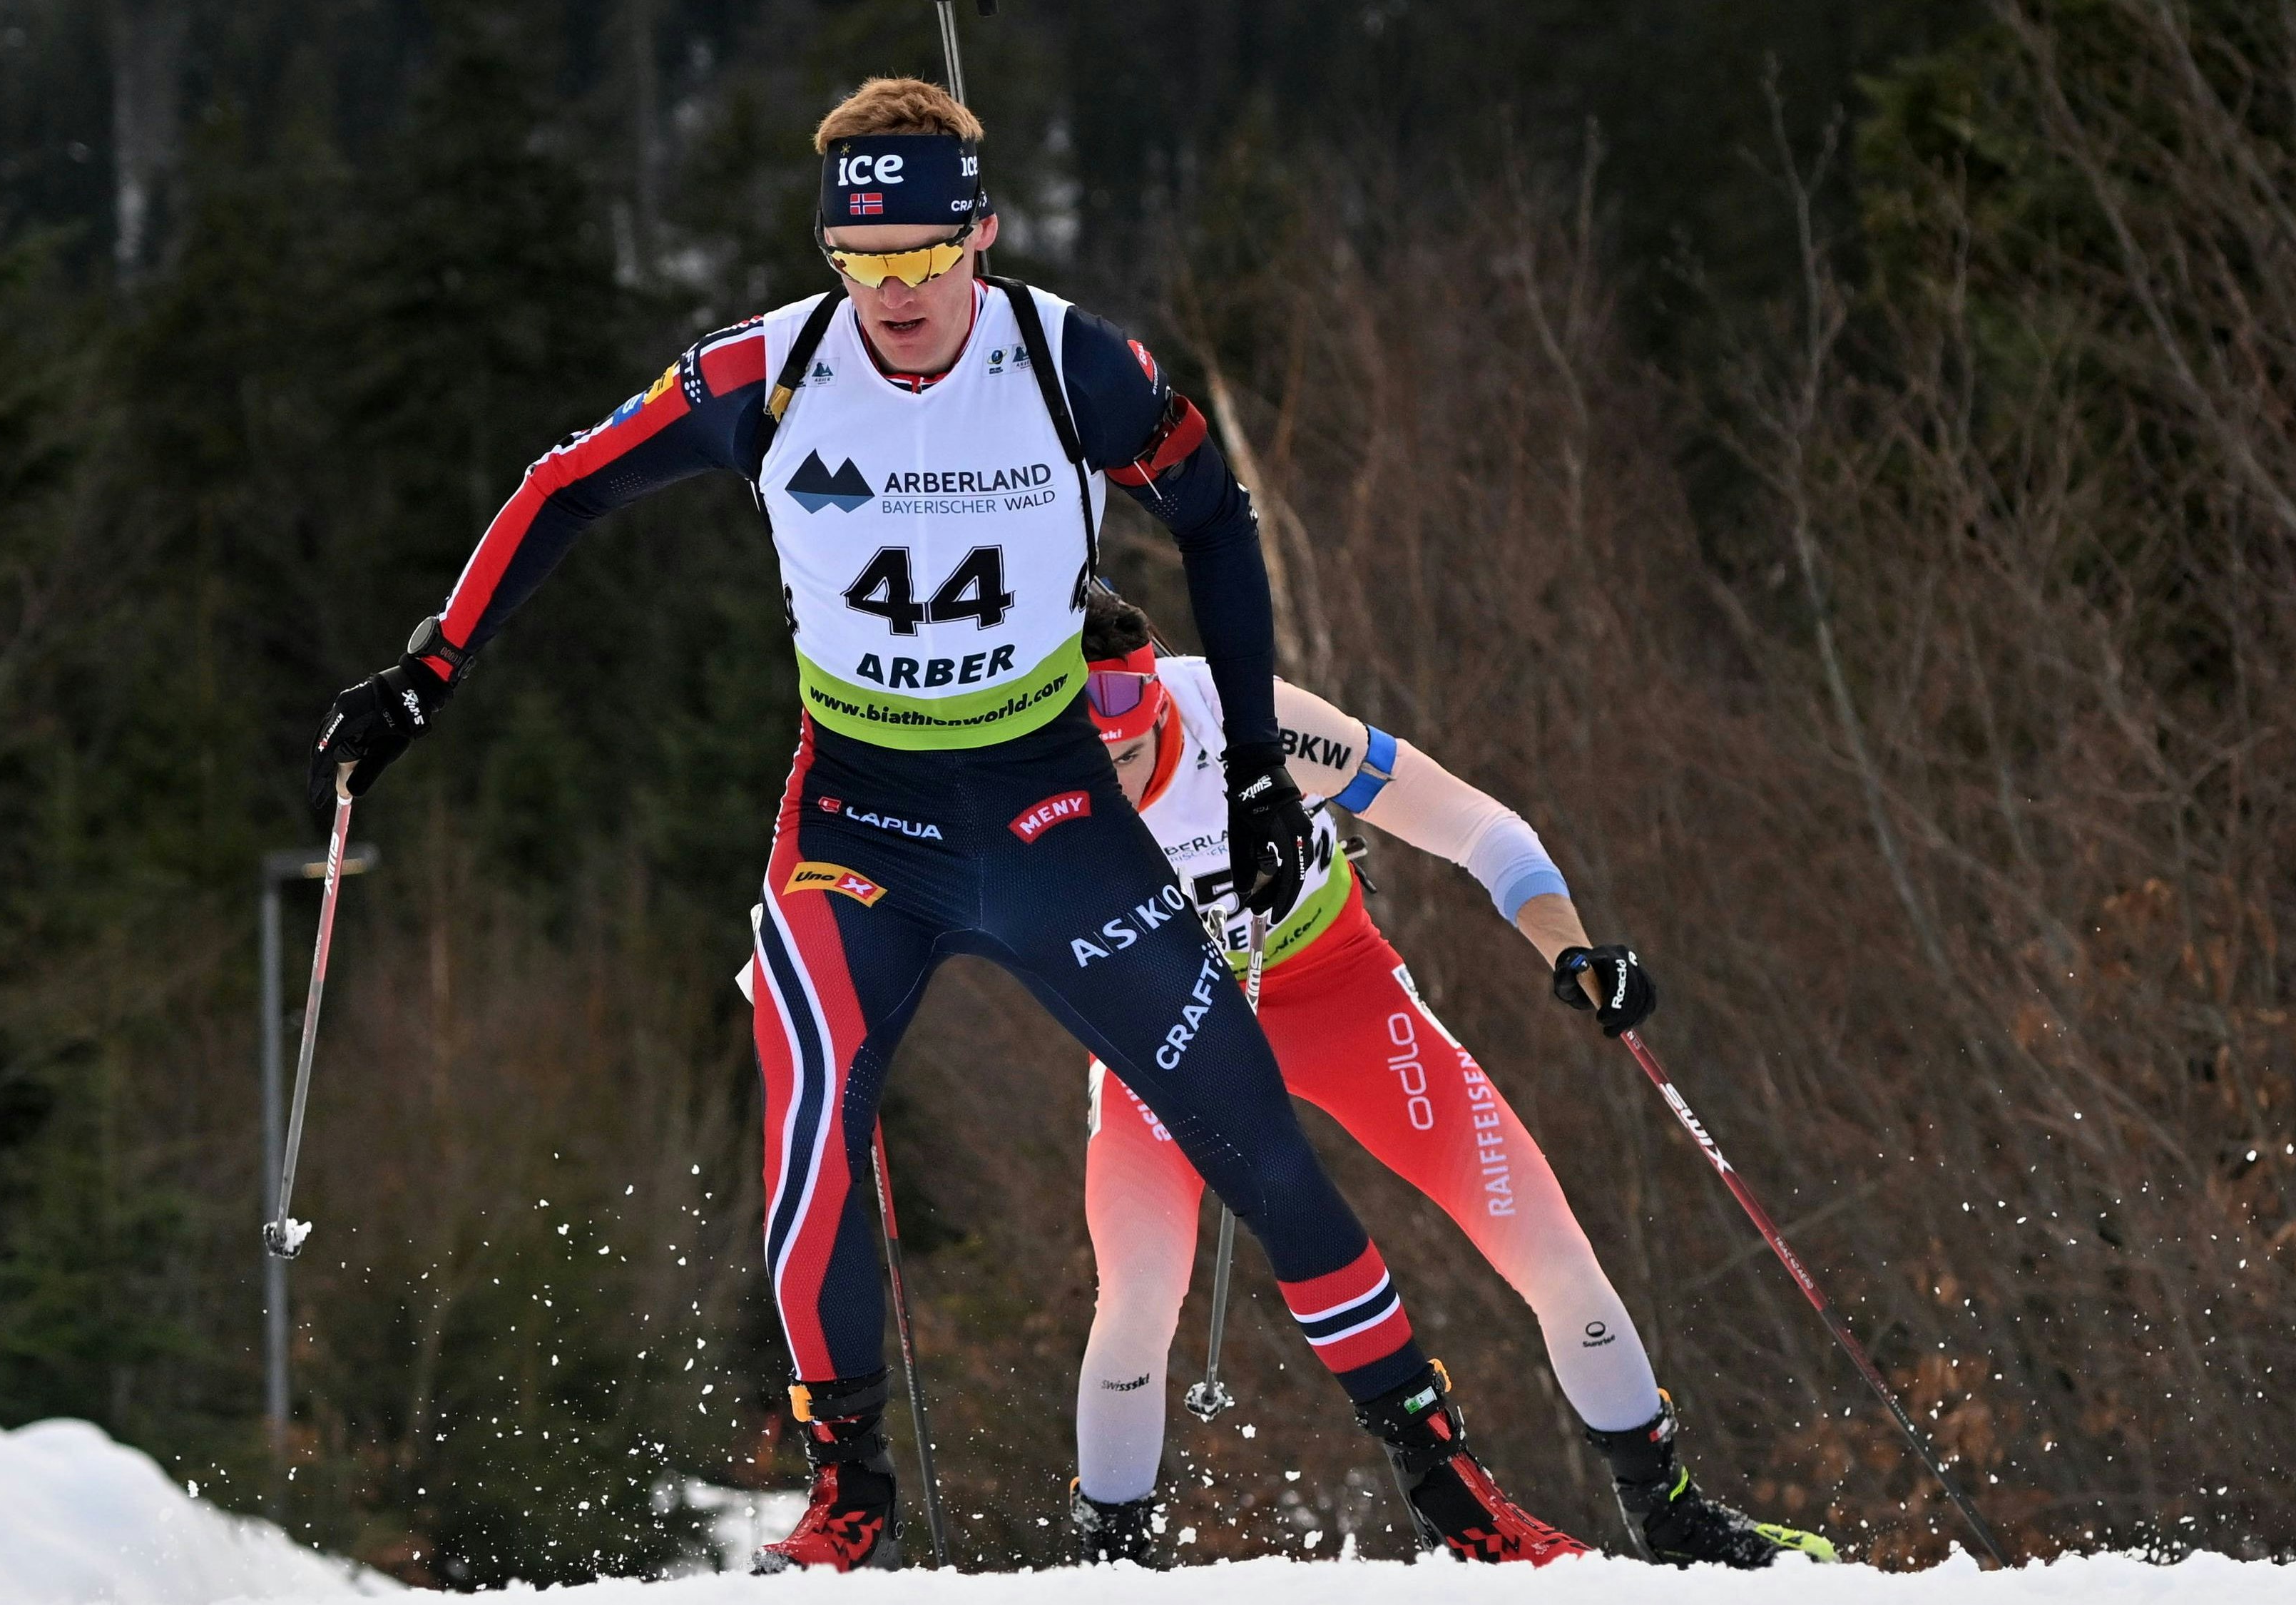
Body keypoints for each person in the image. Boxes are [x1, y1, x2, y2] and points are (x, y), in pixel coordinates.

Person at [306, 77, 1550, 1573]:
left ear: (983, 235)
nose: (895, 294)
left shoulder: (1068, 365)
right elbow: (562, 486)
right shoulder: (765, 373)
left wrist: (1250, 778)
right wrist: (432, 668)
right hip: (857, 817)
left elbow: (1214, 520)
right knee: (813, 1112)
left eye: (924, 258)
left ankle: (1451, 1491)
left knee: (1252, 1133)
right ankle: (845, 1497)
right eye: (862, 262)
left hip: (1045, 811)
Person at [1059, 593, 1837, 1569]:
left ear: (1160, 710)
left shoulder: (1244, 716)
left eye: (1126, 758)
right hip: (1159, 1023)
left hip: (1332, 986)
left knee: (1547, 1244)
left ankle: (1670, 1511)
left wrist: (1572, 949)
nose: (1112, 786)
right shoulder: (1012, 769)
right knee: (1136, 1294)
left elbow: (1476, 823)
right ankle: (1111, 1563)